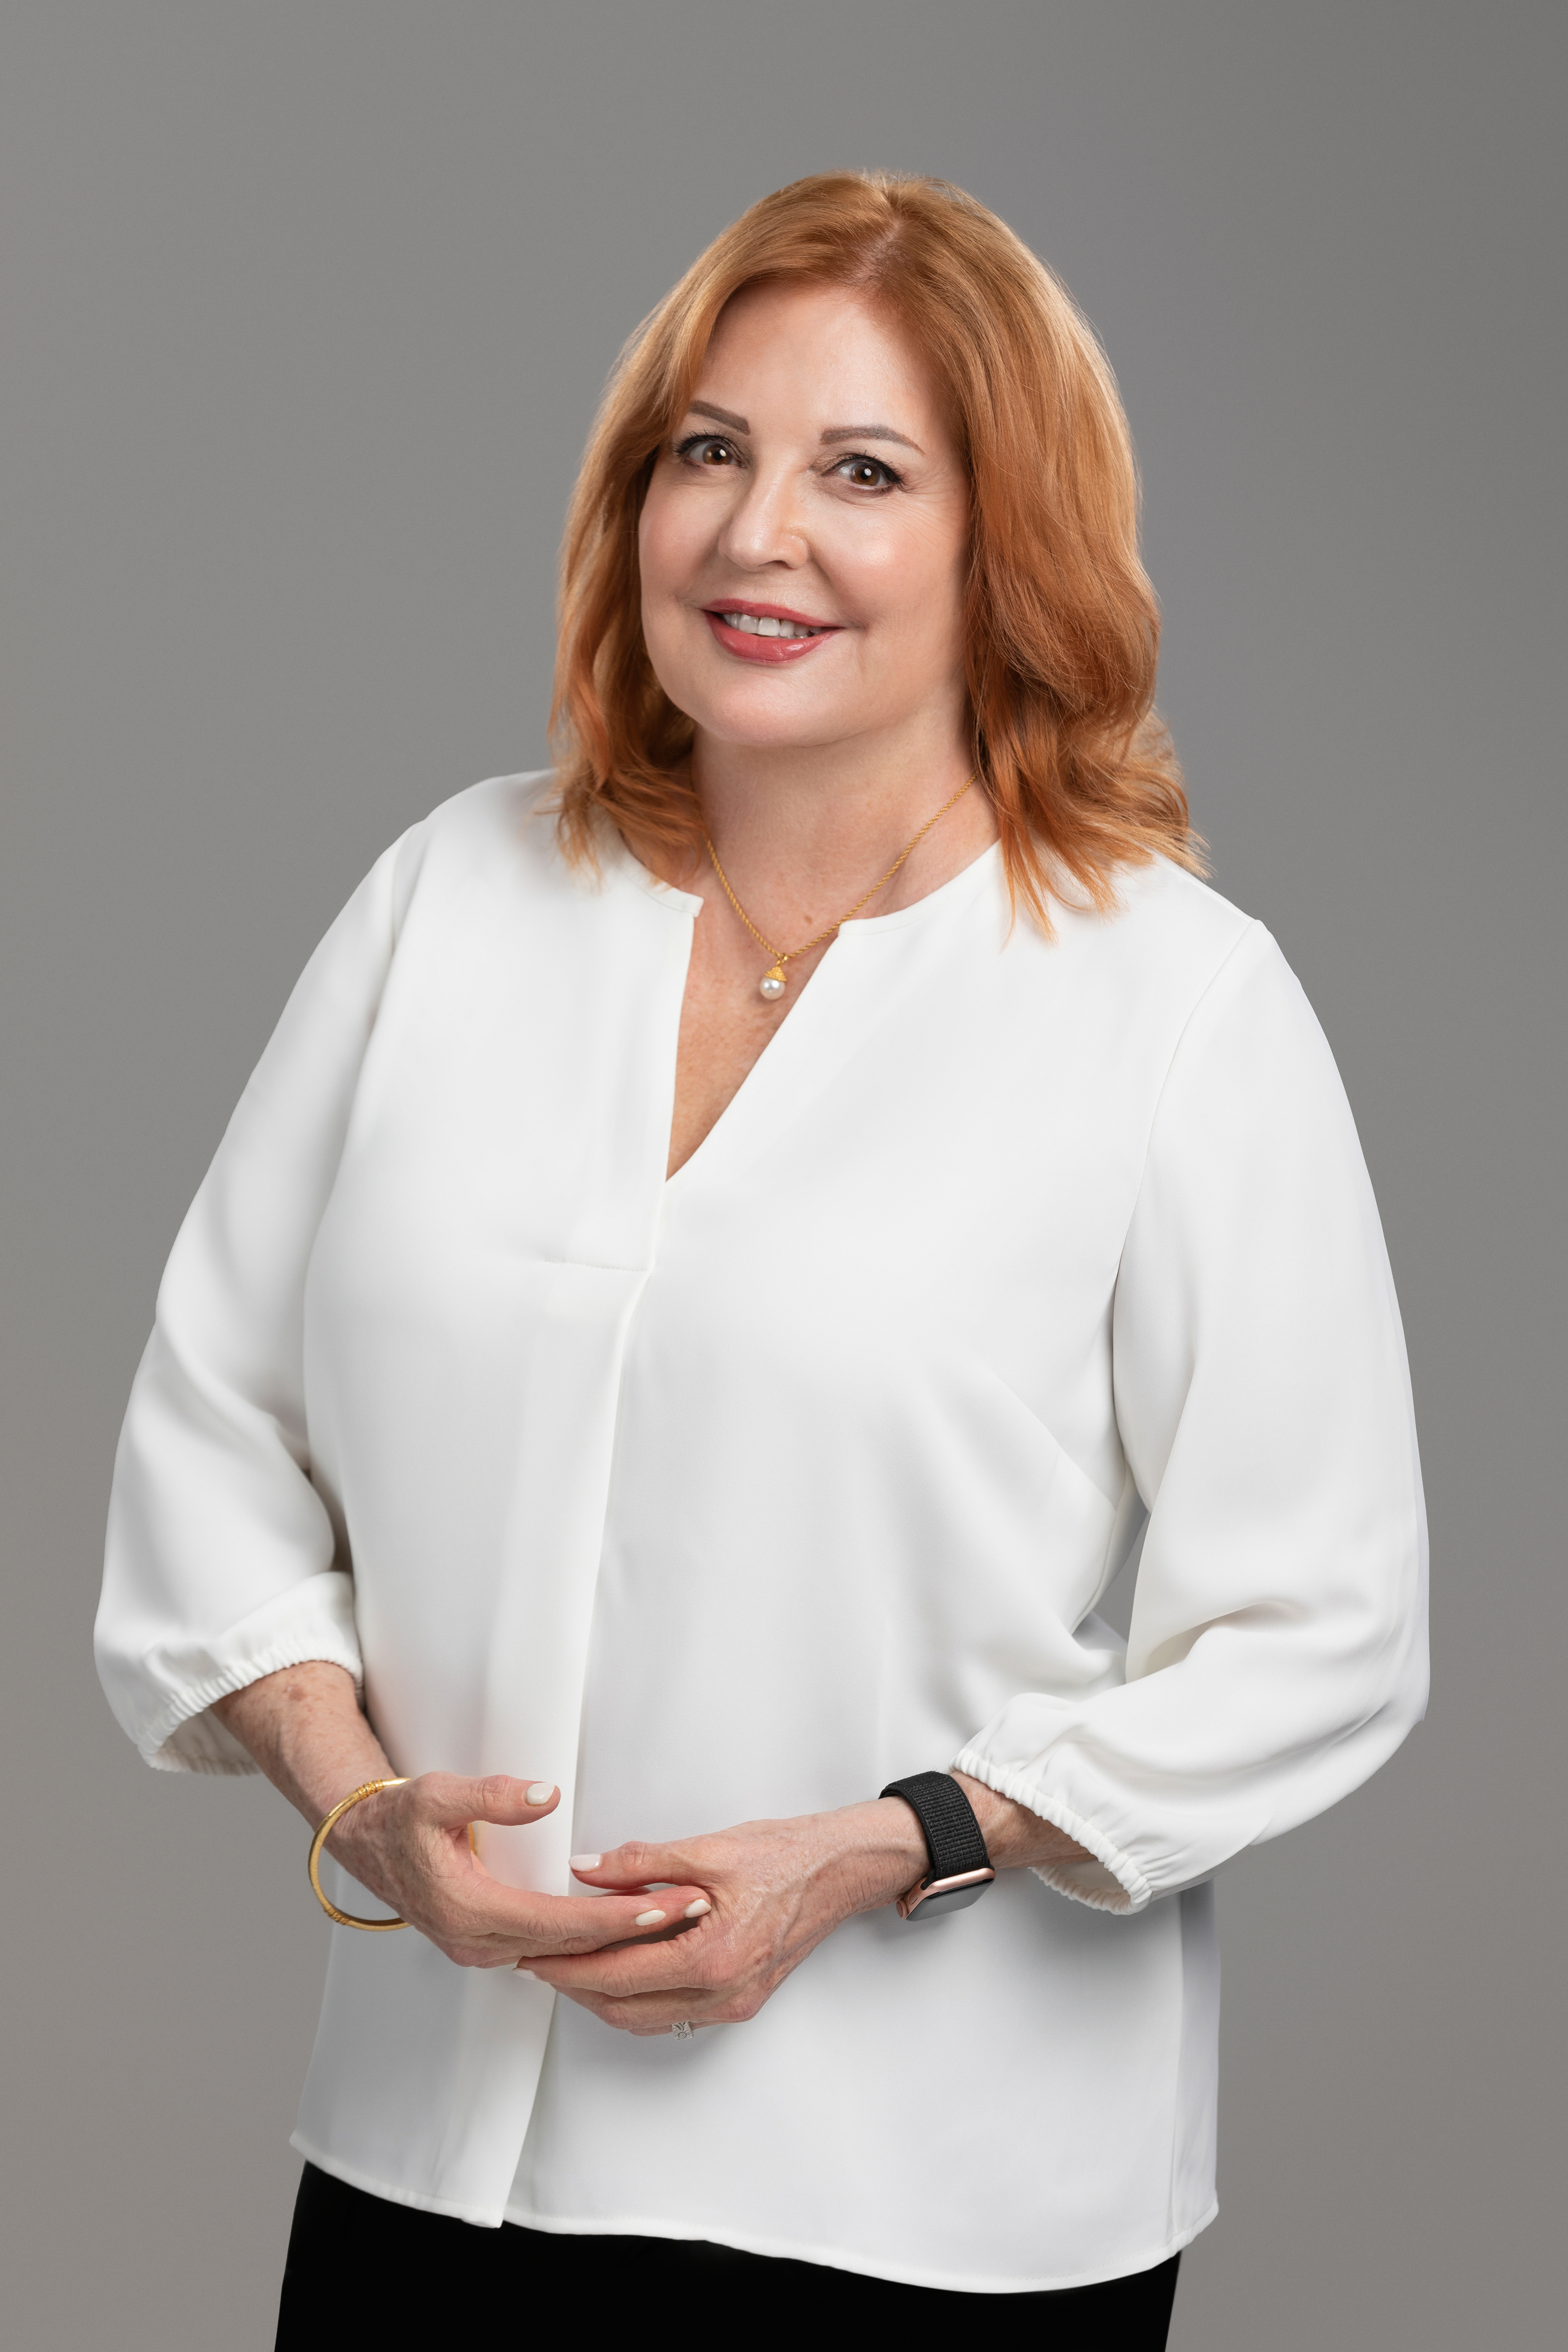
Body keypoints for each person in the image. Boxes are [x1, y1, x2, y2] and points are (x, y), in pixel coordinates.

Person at [95, 172, 1427, 2344]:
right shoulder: (450, 898)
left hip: (931, 2209)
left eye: (863, 472)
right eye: (705, 451)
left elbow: (1323, 1625)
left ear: (1012, 547)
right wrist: (361, 1806)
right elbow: (211, 1436)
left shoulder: (1168, 1002)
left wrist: (895, 1839)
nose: (754, 533)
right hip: (434, 2174)